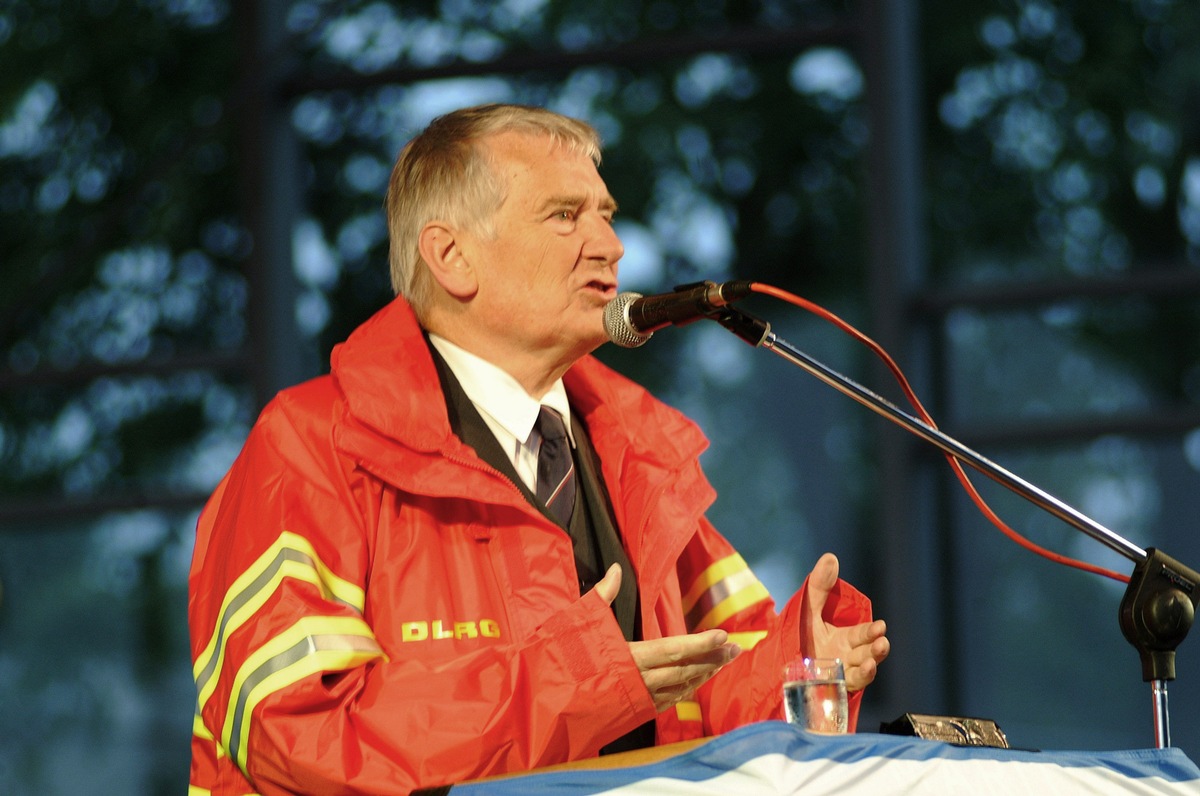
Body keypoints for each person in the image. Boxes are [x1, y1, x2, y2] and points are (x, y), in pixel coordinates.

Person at [187, 103, 890, 795]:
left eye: (606, 215)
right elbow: (297, 738)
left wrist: (798, 668)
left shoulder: (645, 455)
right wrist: (569, 687)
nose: (611, 247)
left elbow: (710, 701)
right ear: (452, 256)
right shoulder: (311, 449)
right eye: (564, 215)